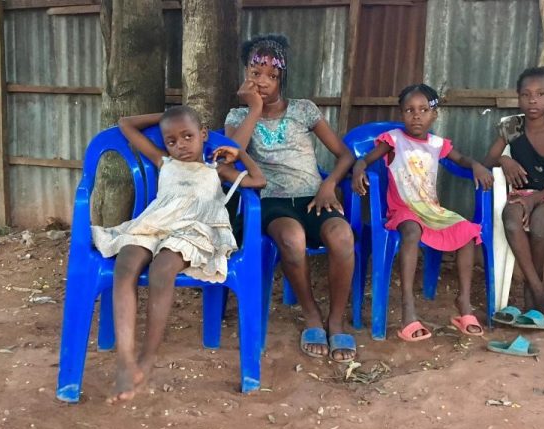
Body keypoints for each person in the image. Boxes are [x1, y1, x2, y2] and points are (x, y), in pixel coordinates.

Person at [93, 106, 266, 403]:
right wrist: (164, 116)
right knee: (125, 263)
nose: (180, 145)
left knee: (162, 270)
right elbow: (125, 123)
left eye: (188, 136)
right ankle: (125, 360)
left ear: (203, 134)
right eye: (171, 141)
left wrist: (240, 154)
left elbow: (258, 181)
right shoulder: (164, 161)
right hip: (154, 225)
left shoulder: (216, 170)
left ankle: (147, 358)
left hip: (192, 231)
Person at [224, 34, 357, 362]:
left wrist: (330, 184)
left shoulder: (304, 110)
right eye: (256, 73)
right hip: (272, 201)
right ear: (245, 74)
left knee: (342, 236)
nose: (263, 81)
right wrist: (254, 109)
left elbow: (344, 154)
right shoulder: (237, 117)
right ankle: (311, 314)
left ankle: (336, 320)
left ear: (282, 77)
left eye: (271, 75)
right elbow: (231, 155)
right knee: (291, 238)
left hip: (314, 196)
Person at [352, 84, 493, 341]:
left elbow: (461, 160)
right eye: (409, 110)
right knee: (411, 230)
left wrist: (476, 166)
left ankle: (463, 302)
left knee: (467, 230)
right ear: (401, 113)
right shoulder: (394, 139)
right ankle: (408, 307)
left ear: (434, 115)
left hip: (431, 210)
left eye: (423, 110)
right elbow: (367, 159)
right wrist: (359, 168)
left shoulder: (437, 144)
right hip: (403, 209)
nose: (416, 116)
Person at [482, 66, 544, 314]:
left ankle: (533, 291)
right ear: (518, 97)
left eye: (541, 94)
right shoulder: (512, 126)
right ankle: (537, 289)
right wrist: (504, 159)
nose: (533, 100)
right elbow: (487, 161)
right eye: (526, 94)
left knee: (540, 223)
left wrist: (534, 201)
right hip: (522, 194)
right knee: (511, 221)